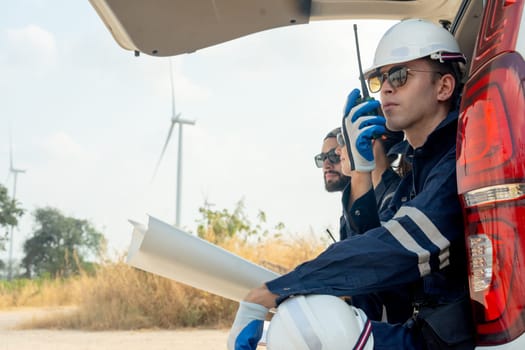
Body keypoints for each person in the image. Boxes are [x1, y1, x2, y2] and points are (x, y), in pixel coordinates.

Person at [228, 18, 475, 350]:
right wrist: (360, 171)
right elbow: (370, 261)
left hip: (445, 340)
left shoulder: (457, 158)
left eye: (400, 76)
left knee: (311, 323)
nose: (386, 88)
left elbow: (395, 249)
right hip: (422, 329)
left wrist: (274, 290)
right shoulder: (416, 167)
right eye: (381, 78)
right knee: (305, 316)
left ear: (444, 87)